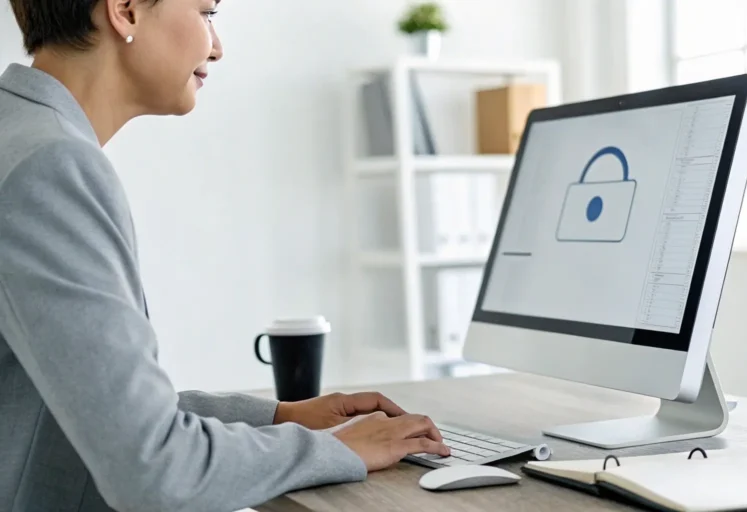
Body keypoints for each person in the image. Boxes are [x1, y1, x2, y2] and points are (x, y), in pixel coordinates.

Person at [0, 0, 452, 510]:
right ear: (125, 10)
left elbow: (97, 414)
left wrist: (281, 418)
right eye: (206, 12)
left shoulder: (18, 136)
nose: (217, 46)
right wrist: (331, 448)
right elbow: (154, 468)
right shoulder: (51, 167)